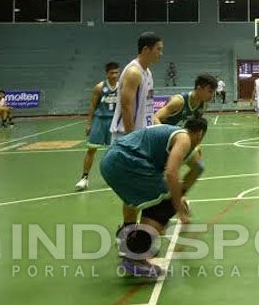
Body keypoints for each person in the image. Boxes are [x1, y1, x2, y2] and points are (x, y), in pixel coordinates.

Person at [100, 118, 207, 279]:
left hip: (110, 162)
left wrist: (180, 193)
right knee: (167, 202)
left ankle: (128, 236)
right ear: (200, 134)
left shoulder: (174, 134)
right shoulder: (184, 138)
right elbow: (171, 173)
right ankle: (135, 255)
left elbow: (198, 168)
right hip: (126, 161)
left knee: (138, 197)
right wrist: (179, 207)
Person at [110, 32, 163, 228]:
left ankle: (131, 227)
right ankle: (128, 230)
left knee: (139, 187)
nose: (161, 53)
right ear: (145, 49)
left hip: (143, 135)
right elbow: (126, 106)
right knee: (133, 187)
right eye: (158, 49)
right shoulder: (133, 72)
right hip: (128, 136)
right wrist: (133, 139)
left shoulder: (147, 73)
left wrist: (154, 124)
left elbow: (145, 106)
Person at [75, 62, 121, 191]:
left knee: (115, 152)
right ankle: (84, 178)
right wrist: (89, 123)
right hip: (100, 120)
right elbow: (92, 106)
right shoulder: (99, 87)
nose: (114, 75)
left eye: (116, 72)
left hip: (114, 122)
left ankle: (114, 178)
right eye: (112, 73)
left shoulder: (122, 87)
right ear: (107, 74)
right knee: (91, 149)